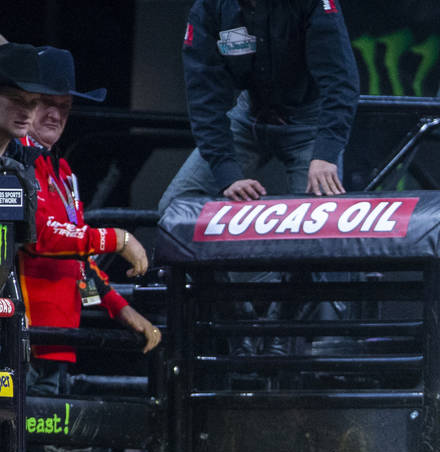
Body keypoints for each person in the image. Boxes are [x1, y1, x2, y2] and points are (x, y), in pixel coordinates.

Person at [17, 47, 160, 394]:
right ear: (27, 104)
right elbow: (41, 235)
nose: (56, 115)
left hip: (54, 341)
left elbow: (76, 260)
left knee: (47, 441)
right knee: (23, 441)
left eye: (64, 107)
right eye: (46, 104)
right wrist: (118, 238)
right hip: (23, 338)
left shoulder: (60, 170)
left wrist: (121, 310)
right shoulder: (16, 162)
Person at [157, 0, 361, 214]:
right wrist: (229, 176)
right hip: (248, 116)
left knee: (318, 218)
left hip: (309, 123)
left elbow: (341, 81)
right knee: (176, 208)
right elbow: (204, 97)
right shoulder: (210, 6)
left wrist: (325, 154)